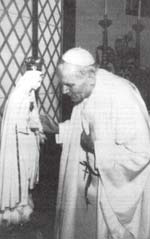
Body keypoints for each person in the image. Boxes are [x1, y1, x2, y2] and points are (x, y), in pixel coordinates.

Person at [46, 47, 150, 239]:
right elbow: (83, 129)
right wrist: (59, 129)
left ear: (90, 76)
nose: (63, 90)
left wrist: (97, 148)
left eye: (69, 84)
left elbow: (142, 153)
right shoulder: (85, 90)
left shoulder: (122, 96)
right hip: (89, 186)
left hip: (112, 192)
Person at [0, 57, 46, 226]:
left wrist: (38, 129)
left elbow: (33, 117)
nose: (41, 80)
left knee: (26, 176)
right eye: (39, 77)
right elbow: (19, 125)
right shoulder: (20, 95)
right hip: (19, 144)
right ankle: (15, 212)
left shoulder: (29, 94)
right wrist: (34, 129)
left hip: (27, 143)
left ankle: (24, 205)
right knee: (19, 174)